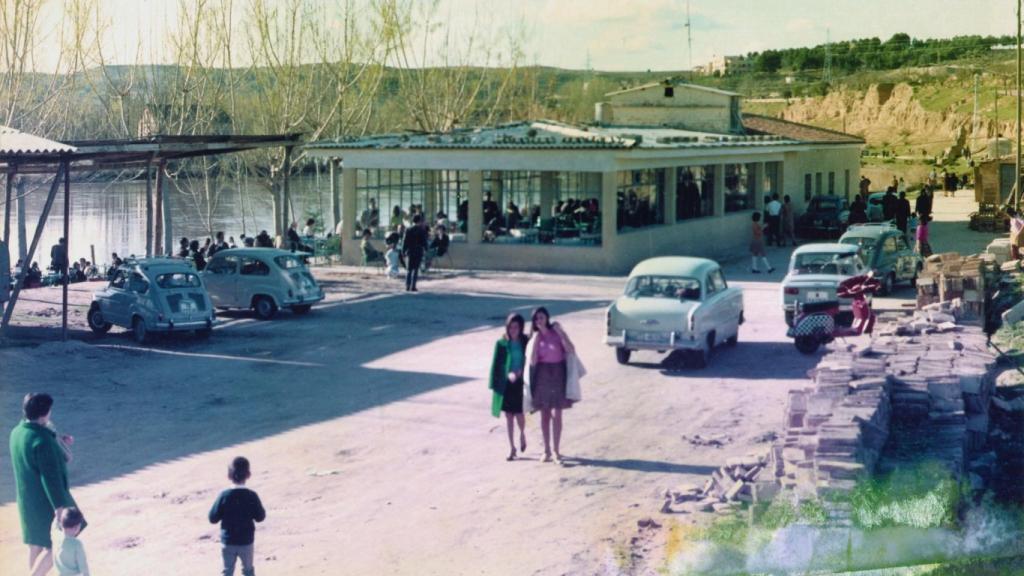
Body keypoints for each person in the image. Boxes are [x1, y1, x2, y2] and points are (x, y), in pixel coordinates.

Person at [10, 393, 81, 576]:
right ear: (43, 414)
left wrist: (58, 439)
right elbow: (51, 478)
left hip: (26, 499)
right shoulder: (42, 442)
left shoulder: (17, 432)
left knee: (35, 544)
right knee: (56, 545)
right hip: (45, 501)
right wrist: (59, 508)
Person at [526, 307, 576, 463]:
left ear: (547, 318)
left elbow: (571, 350)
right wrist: (535, 340)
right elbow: (533, 361)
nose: (539, 321)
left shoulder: (556, 332)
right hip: (542, 375)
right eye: (536, 319)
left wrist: (561, 332)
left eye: (541, 317)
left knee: (558, 414)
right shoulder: (535, 338)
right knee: (545, 414)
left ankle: (556, 450)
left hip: (558, 374)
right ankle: (546, 450)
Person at [209, 456, 265, 576]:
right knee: (248, 570)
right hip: (246, 541)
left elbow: (212, 518)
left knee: (227, 571)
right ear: (248, 475)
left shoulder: (224, 496)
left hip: (228, 541)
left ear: (229, 476)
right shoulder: (252, 496)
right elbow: (260, 517)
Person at [490, 313, 529, 461]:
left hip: (521, 382)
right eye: (510, 327)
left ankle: (522, 434)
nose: (513, 330)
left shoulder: (525, 341)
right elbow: (496, 364)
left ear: (520, 328)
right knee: (508, 416)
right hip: (507, 383)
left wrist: (520, 372)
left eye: (516, 327)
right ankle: (512, 448)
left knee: (519, 414)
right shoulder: (501, 343)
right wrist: (500, 379)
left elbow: (530, 358)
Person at [53, 507, 89, 576]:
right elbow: (83, 566)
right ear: (76, 527)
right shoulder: (77, 544)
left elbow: (55, 525)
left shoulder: (56, 536)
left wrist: (57, 517)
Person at [401, 214, 428, 292]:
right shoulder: (421, 230)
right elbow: (424, 242)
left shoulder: (408, 230)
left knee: (409, 269)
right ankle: (413, 286)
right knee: (415, 269)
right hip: (418, 251)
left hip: (410, 251)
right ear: (419, 221)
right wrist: (426, 249)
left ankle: (407, 286)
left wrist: (403, 251)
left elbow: (405, 241)